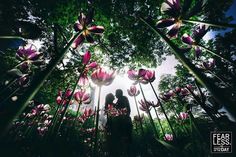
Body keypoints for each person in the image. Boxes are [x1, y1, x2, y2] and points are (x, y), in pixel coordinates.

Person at [115, 89, 133, 156]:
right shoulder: (122, 99)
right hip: (126, 121)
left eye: (116, 93)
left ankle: (128, 153)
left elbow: (124, 110)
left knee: (125, 140)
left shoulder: (122, 99)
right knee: (127, 140)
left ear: (119, 93)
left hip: (124, 122)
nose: (115, 95)